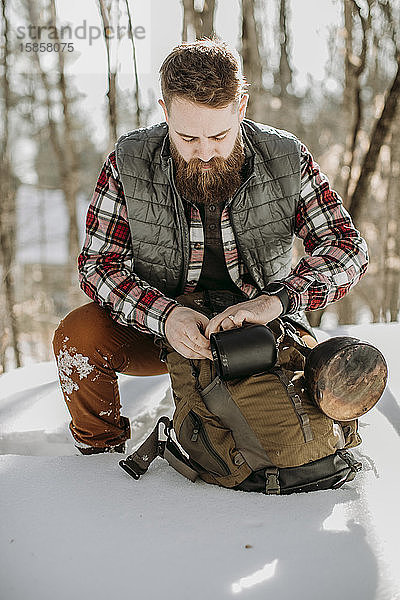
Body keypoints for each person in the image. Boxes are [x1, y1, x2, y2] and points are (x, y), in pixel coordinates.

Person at [52, 39, 368, 455]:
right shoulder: (128, 161)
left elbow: (346, 246)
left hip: (260, 327)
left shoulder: (287, 157)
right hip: (159, 327)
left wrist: (277, 301)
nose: (204, 153)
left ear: (241, 108)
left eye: (219, 135)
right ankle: (100, 459)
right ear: (164, 112)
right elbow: (97, 265)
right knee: (78, 335)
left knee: (306, 411)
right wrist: (165, 316)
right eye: (187, 137)